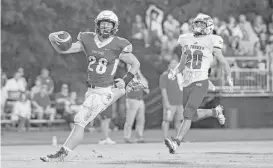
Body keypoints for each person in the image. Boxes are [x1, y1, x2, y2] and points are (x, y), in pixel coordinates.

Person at [41, 10, 146, 162]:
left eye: (109, 25)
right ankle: (125, 89)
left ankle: (61, 154)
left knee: (80, 121)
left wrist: (126, 78)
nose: (105, 27)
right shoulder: (87, 39)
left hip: (103, 91)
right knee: (89, 113)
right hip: (92, 90)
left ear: (114, 27)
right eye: (103, 23)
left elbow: (135, 63)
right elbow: (66, 49)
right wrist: (55, 42)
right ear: (97, 24)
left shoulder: (118, 44)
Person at [164, 13, 233, 154]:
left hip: (201, 81)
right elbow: (183, 61)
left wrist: (229, 77)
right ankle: (215, 111)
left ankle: (176, 142)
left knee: (187, 113)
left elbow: (222, 60)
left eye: (201, 24)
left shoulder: (212, 40)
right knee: (192, 115)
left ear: (209, 26)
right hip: (187, 82)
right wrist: (175, 71)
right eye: (197, 23)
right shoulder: (186, 39)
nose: (198, 26)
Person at [160, 60, 225, 140]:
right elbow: (163, 90)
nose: (174, 65)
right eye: (172, 63)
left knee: (182, 120)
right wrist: (166, 103)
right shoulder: (165, 75)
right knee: (168, 120)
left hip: (181, 102)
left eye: (176, 64)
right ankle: (166, 138)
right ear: (169, 65)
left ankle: (179, 138)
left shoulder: (181, 75)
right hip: (171, 103)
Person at [124, 69, 149, 143]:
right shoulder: (128, 76)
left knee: (141, 120)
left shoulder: (139, 76)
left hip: (140, 100)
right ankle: (127, 137)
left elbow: (146, 84)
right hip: (132, 100)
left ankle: (138, 137)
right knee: (130, 120)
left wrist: (140, 73)